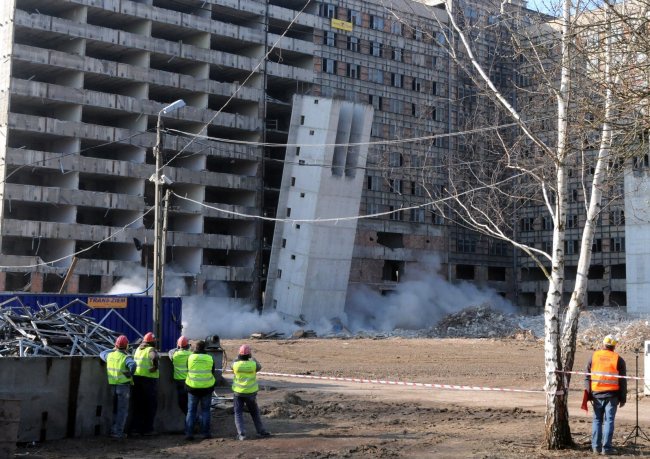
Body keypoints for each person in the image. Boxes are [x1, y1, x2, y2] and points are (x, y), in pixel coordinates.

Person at [585, 334, 627, 455]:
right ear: (614, 346)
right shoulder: (618, 359)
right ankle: (606, 449)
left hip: (596, 394)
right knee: (609, 421)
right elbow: (622, 381)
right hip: (612, 396)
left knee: (597, 420)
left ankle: (595, 447)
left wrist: (588, 394)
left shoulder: (593, 356)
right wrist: (623, 398)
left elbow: (587, 377)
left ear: (603, 344)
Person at [100, 335, 137, 439]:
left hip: (113, 385)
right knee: (122, 410)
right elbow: (133, 365)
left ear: (116, 345)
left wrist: (114, 348)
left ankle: (113, 430)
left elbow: (102, 353)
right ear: (126, 346)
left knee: (115, 409)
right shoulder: (126, 357)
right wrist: (130, 373)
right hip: (123, 386)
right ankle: (118, 432)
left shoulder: (110, 356)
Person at [232, 344, 271, 440]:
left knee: (238, 413)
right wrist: (251, 357)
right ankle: (261, 431)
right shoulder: (253, 365)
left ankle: (241, 434)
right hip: (251, 393)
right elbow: (259, 367)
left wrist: (238, 356)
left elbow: (232, 364)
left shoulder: (236, 365)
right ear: (249, 355)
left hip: (238, 393)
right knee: (254, 413)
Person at [184, 340, 215, 440]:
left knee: (191, 411)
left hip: (193, 388)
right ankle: (205, 433)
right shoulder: (210, 358)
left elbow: (188, 369)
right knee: (205, 411)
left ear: (196, 348)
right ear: (205, 348)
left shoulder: (190, 357)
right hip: (207, 388)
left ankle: (189, 433)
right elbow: (212, 372)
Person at [131, 331, 160, 436]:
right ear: (152, 342)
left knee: (138, 405)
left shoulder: (138, 349)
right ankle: (148, 429)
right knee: (151, 405)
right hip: (148, 381)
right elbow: (155, 357)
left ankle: (136, 429)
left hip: (137, 379)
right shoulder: (150, 350)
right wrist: (155, 366)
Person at [169, 336, 191, 415]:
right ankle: (193, 419)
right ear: (187, 346)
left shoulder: (174, 355)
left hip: (179, 382)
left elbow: (170, 351)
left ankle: (187, 415)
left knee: (181, 402)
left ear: (178, 346)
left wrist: (178, 348)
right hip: (189, 382)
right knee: (190, 402)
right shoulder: (191, 355)